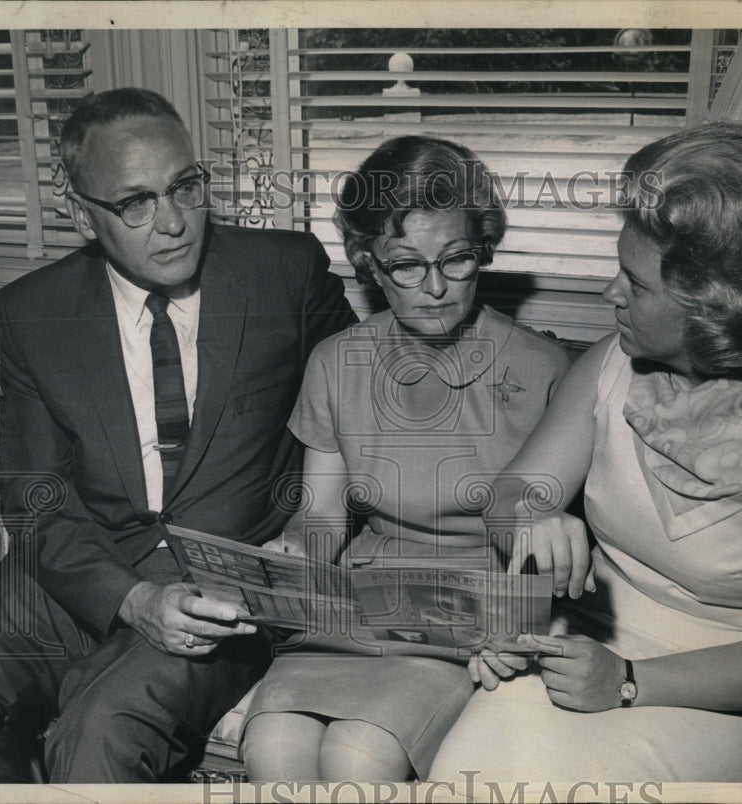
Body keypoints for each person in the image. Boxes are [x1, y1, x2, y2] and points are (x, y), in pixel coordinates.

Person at [429, 122, 742, 784]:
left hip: (732, 687)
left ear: (715, 308)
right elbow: (509, 495)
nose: (609, 293)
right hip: (584, 642)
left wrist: (629, 683)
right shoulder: (610, 363)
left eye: (634, 283)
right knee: (463, 778)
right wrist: (533, 520)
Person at [0, 87, 356, 783]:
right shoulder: (32, 311)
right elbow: (35, 501)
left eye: (185, 187)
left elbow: (367, 397)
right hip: (88, 567)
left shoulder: (282, 273)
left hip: (224, 585)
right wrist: (131, 599)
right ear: (80, 213)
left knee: (98, 736)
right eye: (135, 202)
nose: (172, 224)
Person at [239, 136, 571, 781]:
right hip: (358, 609)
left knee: (356, 757)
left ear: (484, 250)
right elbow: (322, 518)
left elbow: (555, 552)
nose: (438, 287)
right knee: (274, 748)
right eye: (407, 266)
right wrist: (291, 556)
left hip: (477, 620)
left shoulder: (543, 369)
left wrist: (513, 627)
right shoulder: (337, 362)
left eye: (457, 259)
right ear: (367, 262)